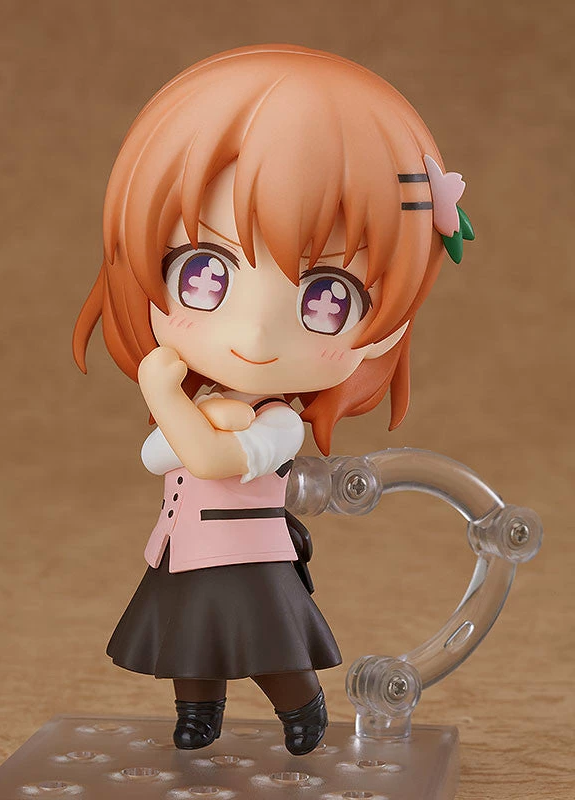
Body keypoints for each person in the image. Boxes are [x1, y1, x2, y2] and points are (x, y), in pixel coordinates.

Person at [72, 44, 473, 756]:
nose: (255, 333)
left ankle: (303, 708)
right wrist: (197, 414)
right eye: (203, 272)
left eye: (326, 298)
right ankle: (198, 712)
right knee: (188, 642)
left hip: (251, 557)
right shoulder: (205, 407)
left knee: (267, 644)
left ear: (386, 325)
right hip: (182, 551)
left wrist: (168, 394)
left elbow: (214, 460)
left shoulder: (280, 422)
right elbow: (158, 455)